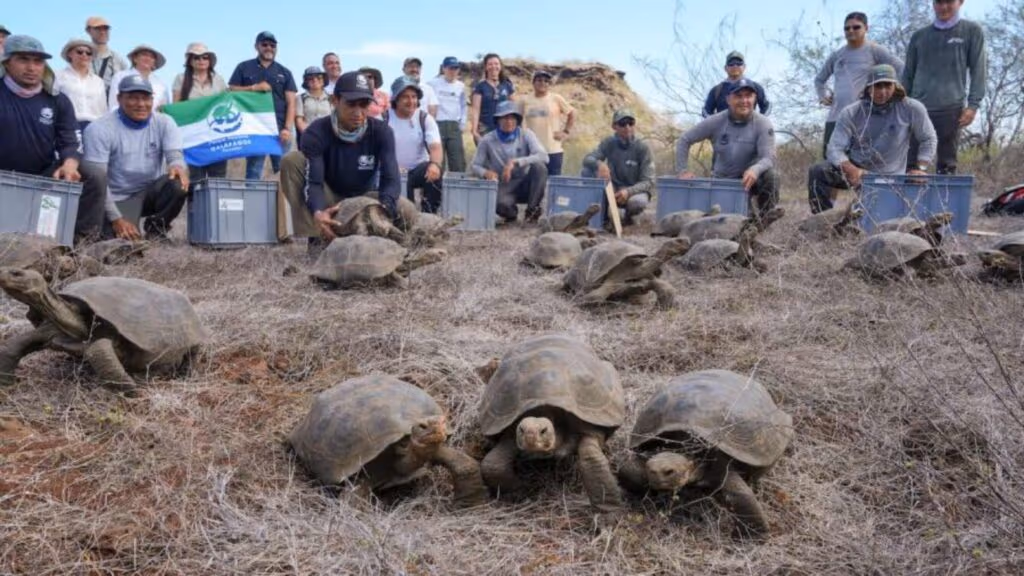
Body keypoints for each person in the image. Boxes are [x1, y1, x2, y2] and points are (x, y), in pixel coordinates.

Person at [278, 71, 401, 255]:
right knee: (291, 161)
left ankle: (382, 240)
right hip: (329, 197)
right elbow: (314, 182)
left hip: (365, 198)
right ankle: (319, 234)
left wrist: (385, 207)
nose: (358, 112)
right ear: (334, 101)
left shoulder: (382, 132)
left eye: (364, 104)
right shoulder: (316, 132)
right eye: (351, 104)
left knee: (404, 207)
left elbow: (391, 177)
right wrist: (318, 211)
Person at [0, 35, 97, 241]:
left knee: (93, 175)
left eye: (38, 61)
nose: (31, 68)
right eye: (23, 59)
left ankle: (81, 242)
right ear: (7, 62)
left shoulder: (57, 100)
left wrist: (69, 165)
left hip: (42, 175)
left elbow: (70, 139)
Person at [807, 64, 937, 213]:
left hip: (893, 175)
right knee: (819, 171)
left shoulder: (912, 108)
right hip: (859, 170)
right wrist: (851, 169)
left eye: (887, 85)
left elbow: (928, 138)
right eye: (877, 86)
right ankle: (823, 220)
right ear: (868, 88)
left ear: (895, 86)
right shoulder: (851, 112)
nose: (883, 91)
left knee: (880, 216)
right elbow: (834, 148)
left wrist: (920, 168)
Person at [79, 75, 189, 241]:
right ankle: (115, 222)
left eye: (146, 98)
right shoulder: (99, 129)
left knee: (178, 183)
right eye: (133, 98)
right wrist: (116, 219)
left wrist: (177, 166)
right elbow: (97, 181)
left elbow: (175, 155)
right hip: (113, 197)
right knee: (118, 241)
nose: (141, 104)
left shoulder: (165, 122)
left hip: (147, 191)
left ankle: (156, 229)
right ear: (119, 99)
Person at [903, 0, 986, 175]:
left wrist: (973, 106)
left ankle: (944, 194)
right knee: (911, 167)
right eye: (939, 2)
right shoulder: (919, 36)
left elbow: (978, 70)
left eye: (949, 2)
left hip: (951, 109)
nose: (944, 7)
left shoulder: (972, 31)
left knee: (947, 168)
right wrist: (901, 105)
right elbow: (908, 74)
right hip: (917, 109)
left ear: (960, 2)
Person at [677, 78, 779, 219]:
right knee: (727, 221)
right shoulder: (715, 121)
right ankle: (747, 213)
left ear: (754, 99)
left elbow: (768, 157)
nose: (744, 101)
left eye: (748, 96)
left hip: (751, 180)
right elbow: (684, 140)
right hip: (724, 182)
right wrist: (682, 170)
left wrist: (755, 170)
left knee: (771, 176)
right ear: (728, 99)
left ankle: (766, 219)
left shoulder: (763, 123)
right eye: (738, 96)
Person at [815, 12, 904, 158]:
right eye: (847, 28)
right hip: (835, 119)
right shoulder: (837, 55)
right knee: (830, 164)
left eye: (856, 27)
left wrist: (892, 95)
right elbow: (819, 80)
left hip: (864, 118)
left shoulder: (875, 50)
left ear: (866, 28)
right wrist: (822, 96)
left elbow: (902, 69)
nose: (851, 31)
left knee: (862, 164)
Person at [229, 31, 297, 180]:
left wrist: (287, 128)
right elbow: (231, 90)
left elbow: (291, 102)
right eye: (264, 44)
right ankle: (252, 196)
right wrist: (253, 87)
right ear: (256, 46)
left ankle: (282, 197)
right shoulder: (243, 67)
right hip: (255, 129)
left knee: (283, 173)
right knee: (254, 171)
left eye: (272, 45)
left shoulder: (285, 72)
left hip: (280, 130)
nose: (269, 48)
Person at [471, 101, 548, 223]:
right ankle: (511, 214)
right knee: (501, 204)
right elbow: (475, 165)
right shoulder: (487, 140)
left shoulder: (526, 134)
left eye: (512, 118)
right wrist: (486, 173)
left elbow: (544, 156)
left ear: (517, 120)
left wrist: (516, 162)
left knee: (540, 167)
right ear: (498, 120)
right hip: (504, 184)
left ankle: (532, 211)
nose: (509, 122)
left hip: (524, 182)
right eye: (505, 118)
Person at [581, 109, 654, 226]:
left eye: (631, 123)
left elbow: (648, 181)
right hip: (613, 188)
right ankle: (602, 218)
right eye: (622, 123)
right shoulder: (608, 143)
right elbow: (587, 159)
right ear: (614, 126)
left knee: (637, 202)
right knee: (587, 171)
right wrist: (599, 164)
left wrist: (628, 191)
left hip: (633, 191)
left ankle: (628, 219)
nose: (627, 127)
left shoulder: (643, 148)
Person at [172, 42, 228, 190]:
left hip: (216, 137)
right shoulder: (180, 79)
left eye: (205, 57)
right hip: (193, 139)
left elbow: (226, 104)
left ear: (210, 60)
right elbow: (176, 107)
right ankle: (195, 205)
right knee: (196, 180)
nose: (201, 60)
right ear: (190, 61)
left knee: (218, 180)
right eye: (196, 57)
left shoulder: (219, 80)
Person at [386, 77, 444, 213]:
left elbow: (435, 146)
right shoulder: (384, 119)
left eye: (414, 97)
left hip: (418, 170)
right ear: (396, 99)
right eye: (405, 97)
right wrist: (392, 166)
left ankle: (430, 214)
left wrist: (435, 165)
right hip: (392, 171)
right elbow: (375, 151)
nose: (411, 101)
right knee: (405, 210)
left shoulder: (425, 119)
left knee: (435, 171)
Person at [521, 69, 575, 177]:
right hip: (533, 151)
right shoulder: (525, 100)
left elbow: (572, 113)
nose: (543, 83)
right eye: (539, 80)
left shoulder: (556, 98)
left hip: (553, 151)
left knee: (553, 183)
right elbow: (517, 120)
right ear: (533, 83)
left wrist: (566, 131)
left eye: (546, 81)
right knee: (534, 183)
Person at [53, 38, 106, 132]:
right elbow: (51, 103)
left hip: (95, 127)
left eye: (88, 53)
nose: (84, 55)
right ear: (69, 54)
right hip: (67, 126)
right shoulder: (58, 76)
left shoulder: (98, 81)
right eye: (80, 52)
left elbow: (103, 109)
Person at [428, 56, 467, 172]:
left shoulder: (461, 86)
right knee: (438, 160)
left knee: (457, 160)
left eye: (455, 68)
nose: (453, 71)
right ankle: (437, 182)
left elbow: (463, 105)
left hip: (454, 125)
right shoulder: (432, 83)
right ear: (444, 68)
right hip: (438, 124)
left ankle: (459, 181)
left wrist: (463, 122)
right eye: (450, 68)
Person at [702, 51, 770, 117]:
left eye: (739, 63)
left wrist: (759, 121)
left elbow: (766, 107)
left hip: (750, 125)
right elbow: (706, 112)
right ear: (725, 68)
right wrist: (715, 123)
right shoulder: (716, 90)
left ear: (744, 67)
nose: (735, 66)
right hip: (723, 125)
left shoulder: (755, 87)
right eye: (731, 64)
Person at [108, 45, 171, 111]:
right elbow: (113, 105)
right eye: (144, 55)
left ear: (154, 63)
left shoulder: (161, 85)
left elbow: (164, 109)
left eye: (152, 57)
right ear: (135, 59)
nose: (147, 58)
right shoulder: (120, 77)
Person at [470, 53, 515, 143]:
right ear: (486, 67)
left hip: (504, 128)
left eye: (496, 64)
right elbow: (476, 110)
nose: (493, 67)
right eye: (490, 64)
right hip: (485, 129)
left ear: (500, 66)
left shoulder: (507, 85)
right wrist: (474, 131)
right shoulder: (480, 86)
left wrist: (515, 126)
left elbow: (512, 107)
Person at [84, 16, 127, 94]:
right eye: (98, 29)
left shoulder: (118, 59)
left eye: (105, 29)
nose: (102, 32)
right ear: (88, 31)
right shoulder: (82, 56)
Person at [296, 66, 331, 137]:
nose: (315, 80)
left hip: (328, 136)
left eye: (319, 77)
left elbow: (335, 119)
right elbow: (299, 120)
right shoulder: (300, 98)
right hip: (309, 136)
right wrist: (308, 134)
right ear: (306, 82)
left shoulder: (331, 98)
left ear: (323, 80)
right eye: (310, 78)